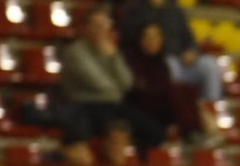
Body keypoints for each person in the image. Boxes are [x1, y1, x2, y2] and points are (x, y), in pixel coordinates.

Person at [59, 8, 163, 151]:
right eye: (97, 26)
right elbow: (100, 84)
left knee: (153, 130)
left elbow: (127, 83)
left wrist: (113, 58)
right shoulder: (75, 52)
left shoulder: (111, 50)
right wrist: (116, 84)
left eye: (105, 26)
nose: (102, 30)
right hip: (86, 107)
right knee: (113, 131)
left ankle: (136, 164)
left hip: (113, 105)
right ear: (86, 28)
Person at [119, 0, 224, 104]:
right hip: (155, 64)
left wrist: (191, 51)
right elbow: (134, 37)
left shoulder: (175, 10)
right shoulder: (136, 8)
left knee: (210, 65)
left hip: (181, 61)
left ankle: (210, 107)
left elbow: (189, 38)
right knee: (169, 66)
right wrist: (154, 7)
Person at [124, 22, 206, 143]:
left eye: (156, 36)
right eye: (148, 37)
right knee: (177, 90)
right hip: (139, 107)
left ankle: (195, 130)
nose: (152, 40)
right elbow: (137, 88)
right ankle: (191, 131)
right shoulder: (130, 60)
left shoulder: (162, 63)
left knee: (187, 90)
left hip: (161, 108)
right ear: (140, 40)